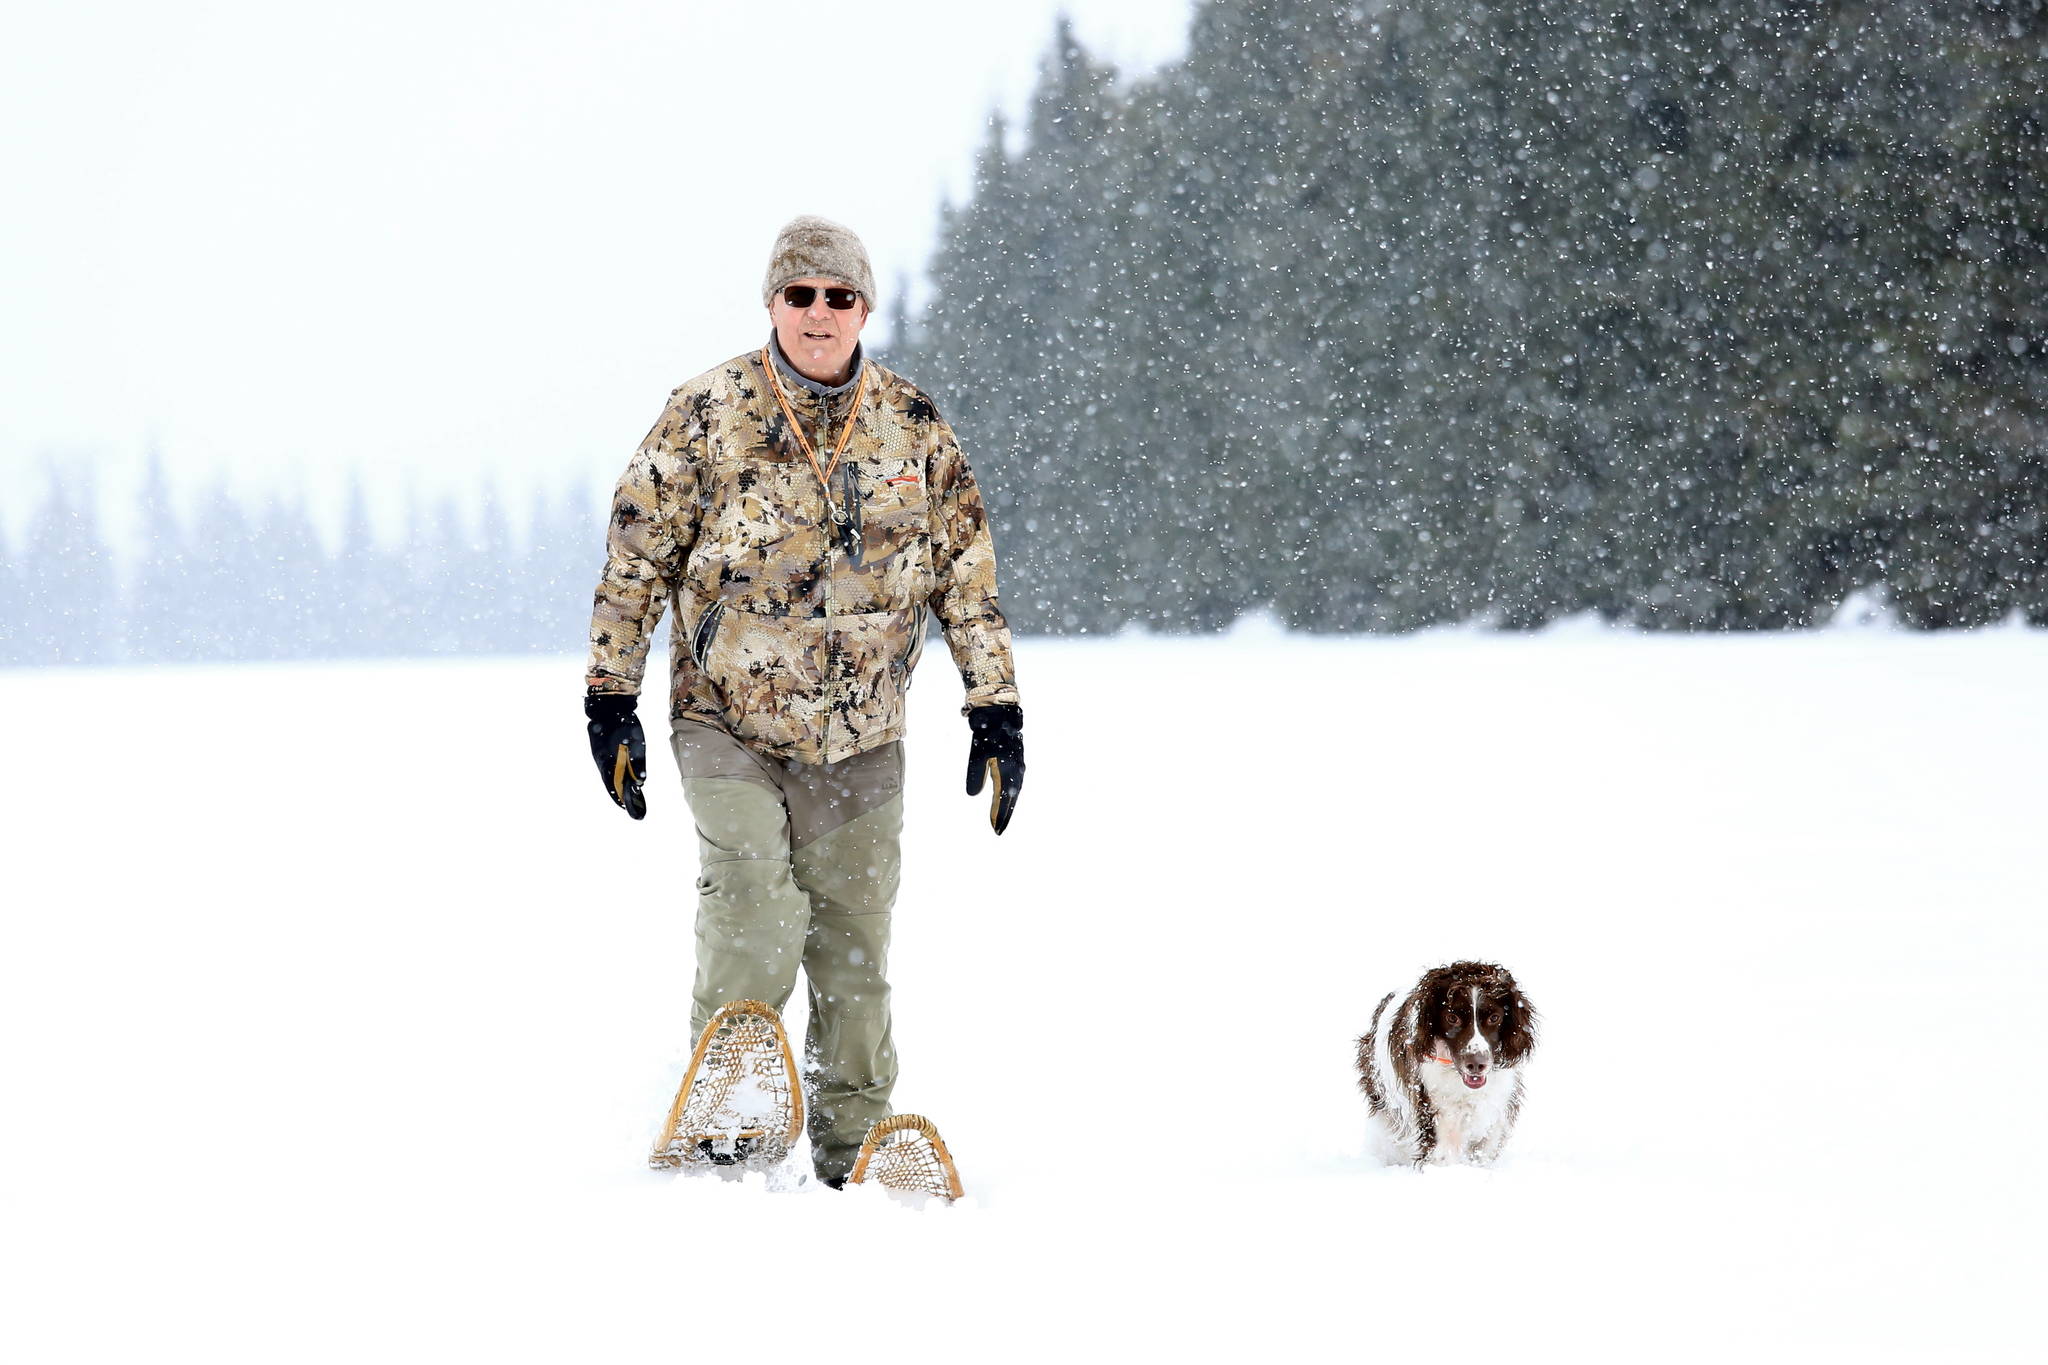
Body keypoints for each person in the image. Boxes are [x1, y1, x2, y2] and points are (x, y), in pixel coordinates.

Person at [581, 215, 1024, 1186]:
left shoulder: (911, 424)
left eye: (839, 296)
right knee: (752, 904)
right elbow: (635, 560)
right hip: (727, 723)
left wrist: (994, 706)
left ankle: (852, 1145)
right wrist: (609, 697)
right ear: (772, 303)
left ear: (864, 307)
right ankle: (726, 1112)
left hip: (864, 733)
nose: (818, 313)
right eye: (800, 295)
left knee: (853, 945)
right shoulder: (706, 411)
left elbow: (965, 572)